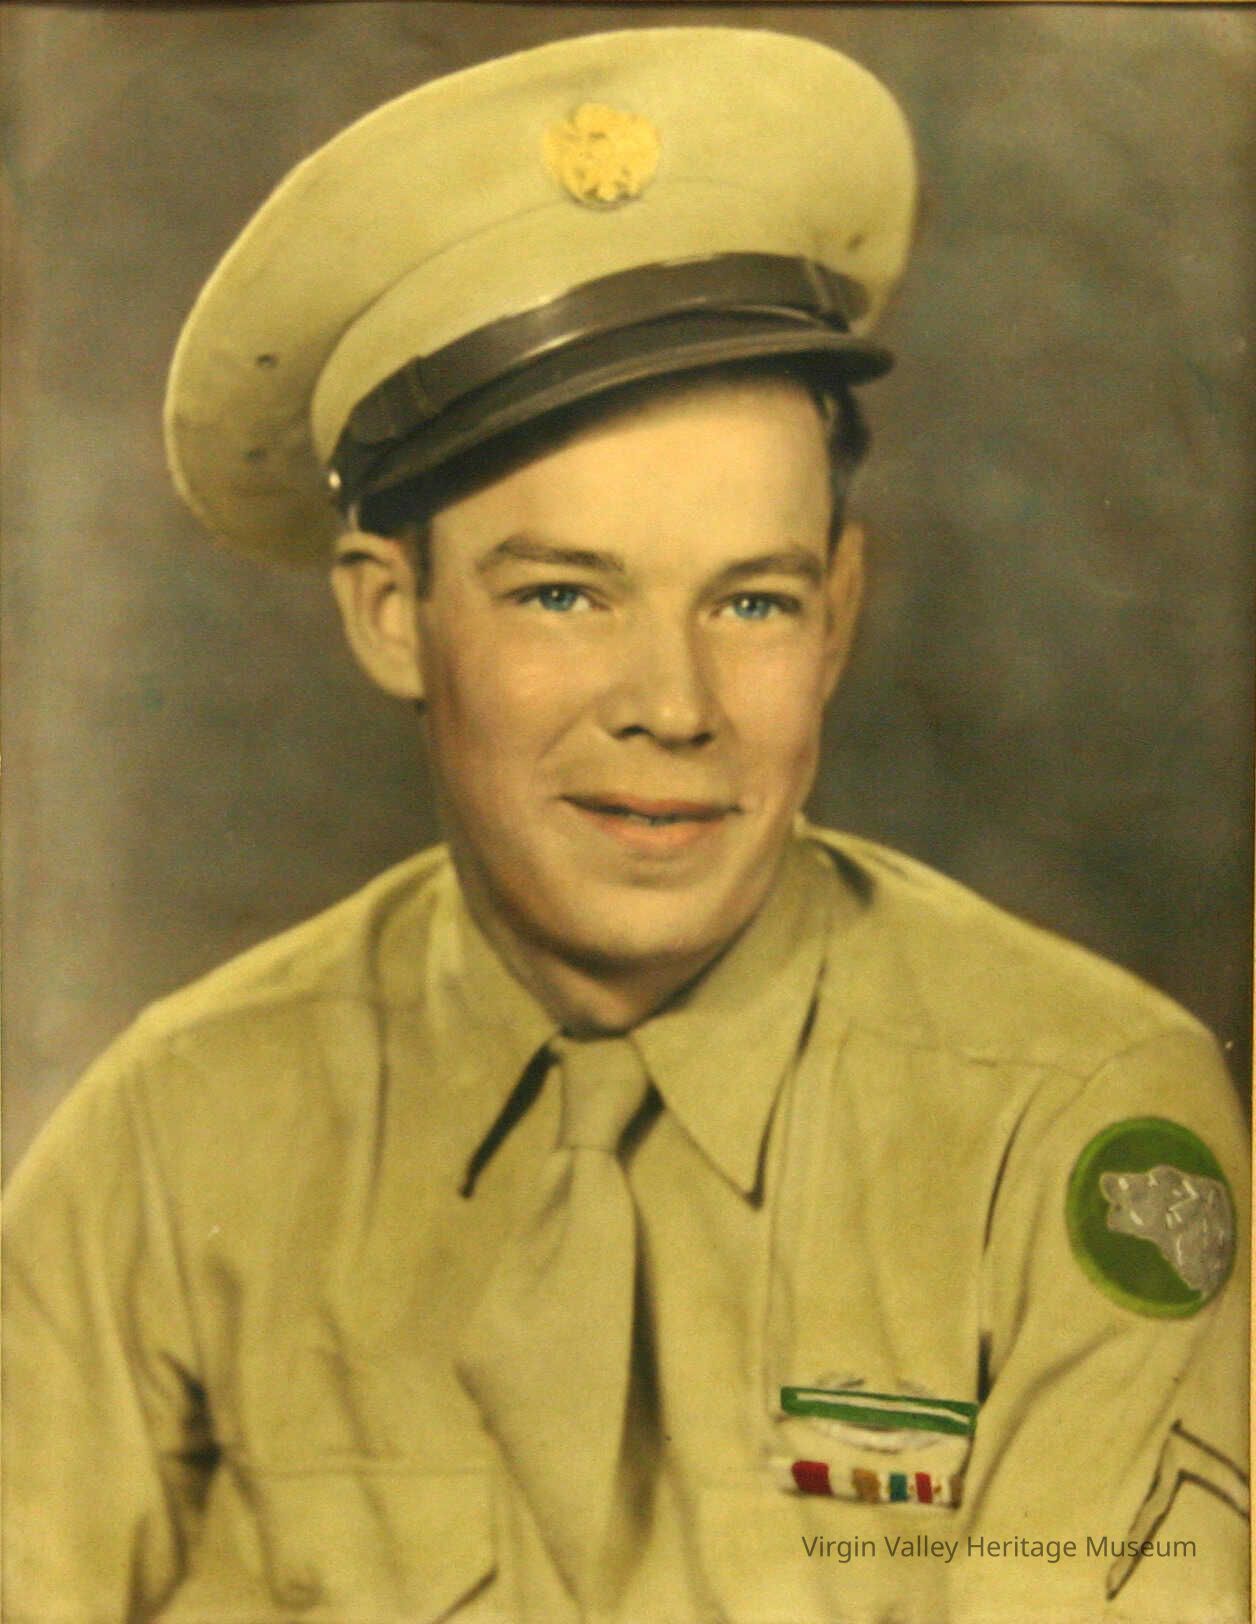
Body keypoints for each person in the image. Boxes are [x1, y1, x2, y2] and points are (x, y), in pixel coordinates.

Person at [3, 26, 1247, 1624]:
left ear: (840, 611)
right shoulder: (172, 1142)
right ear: (391, 615)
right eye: (565, 595)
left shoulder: (1073, 1129)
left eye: (752, 600)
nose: (674, 704)